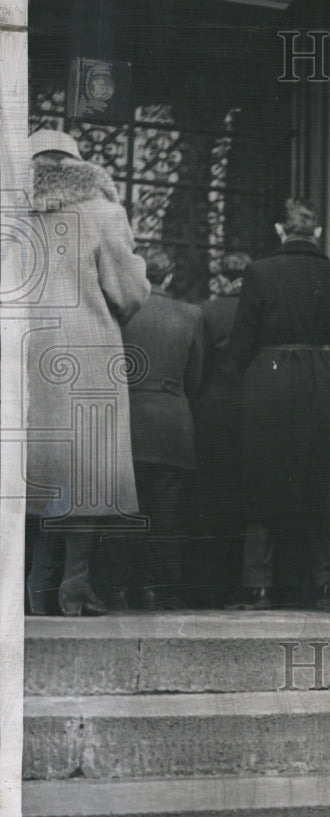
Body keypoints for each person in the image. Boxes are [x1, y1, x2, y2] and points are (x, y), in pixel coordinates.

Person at [25, 128, 150, 616]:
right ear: (78, 164)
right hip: (86, 351)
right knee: (85, 469)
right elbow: (130, 291)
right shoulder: (103, 212)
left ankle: (34, 579)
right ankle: (74, 584)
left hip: (20, 355)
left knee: (31, 469)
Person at [225, 198, 330, 610]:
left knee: (263, 475)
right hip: (320, 375)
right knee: (319, 474)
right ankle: (327, 582)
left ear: (280, 230)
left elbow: (242, 339)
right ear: (318, 234)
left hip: (270, 376)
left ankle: (258, 584)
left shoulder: (258, 272)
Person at [99, 246, 205, 610]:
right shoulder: (192, 315)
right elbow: (197, 377)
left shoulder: (119, 313)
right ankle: (156, 588)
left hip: (124, 419)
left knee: (122, 510)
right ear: (170, 276)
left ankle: (115, 587)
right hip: (171, 422)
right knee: (167, 514)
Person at [193, 251, 251, 604]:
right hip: (255, 408)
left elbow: (198, 366)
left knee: (213, 496)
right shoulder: (259, 310)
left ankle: (211, 584)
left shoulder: (207, 311)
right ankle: (245, 580)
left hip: (216, 409)